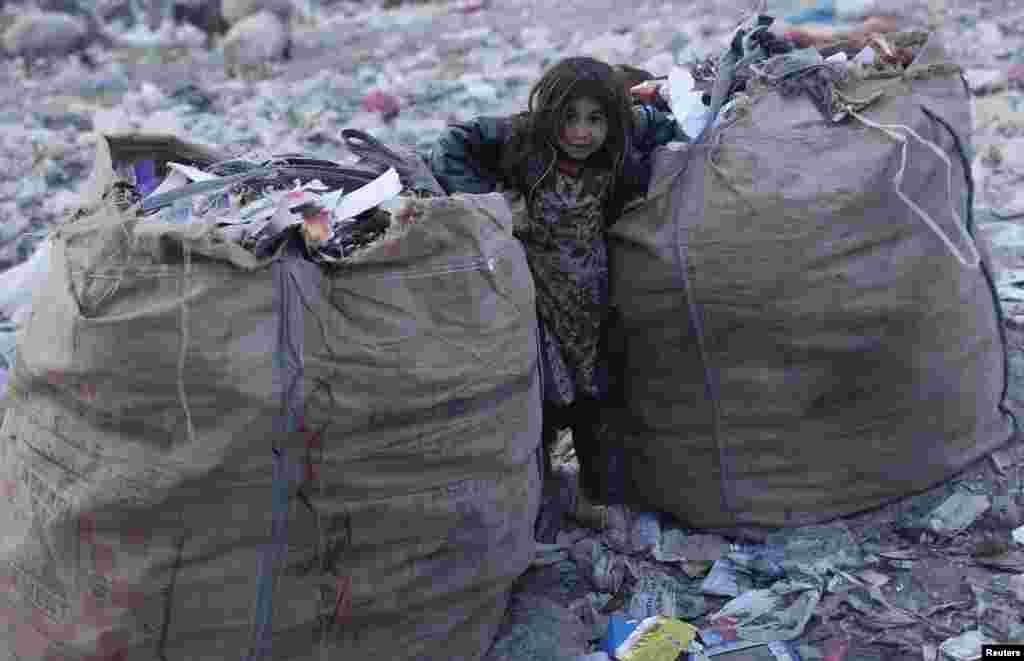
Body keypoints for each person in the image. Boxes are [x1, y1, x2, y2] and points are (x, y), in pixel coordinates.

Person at [428, 56, 685, 509]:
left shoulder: (623, 140)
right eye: (568, 118)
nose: (581, 133)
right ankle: (535, 499)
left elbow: (667, 127)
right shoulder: (522, 139)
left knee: (598, 400)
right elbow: (453, 143)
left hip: (594, 300)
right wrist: (495, 204)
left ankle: (599, 494)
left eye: (595, 119)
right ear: (549, 115)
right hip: (536, 300)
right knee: (538, 402)